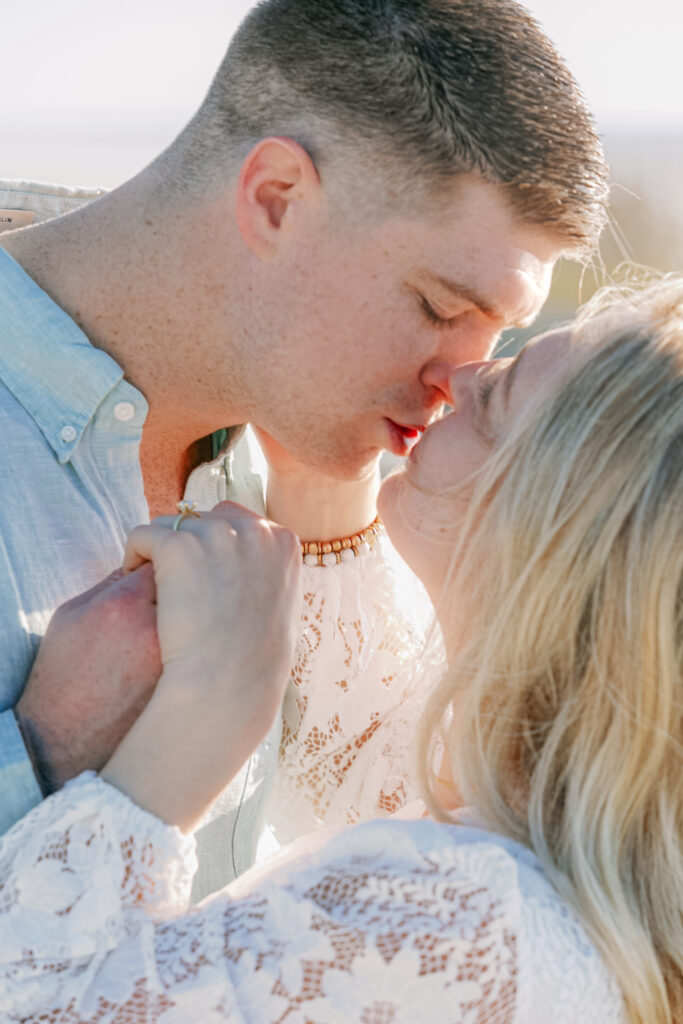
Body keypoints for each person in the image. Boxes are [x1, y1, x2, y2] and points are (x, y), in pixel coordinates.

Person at [0, 0, 608, 892]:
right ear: (275, 199)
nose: (458, 380)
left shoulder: (292, 458)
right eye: (438, 308)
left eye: (496, 333)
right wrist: (46, 759)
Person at [1, 275, 681, 1023]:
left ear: (554, 527)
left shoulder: (471, 929)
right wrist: (322, 488)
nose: (456, 376)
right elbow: (369, 778)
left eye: (493, 397)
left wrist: (208, 708)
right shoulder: (559, 859)